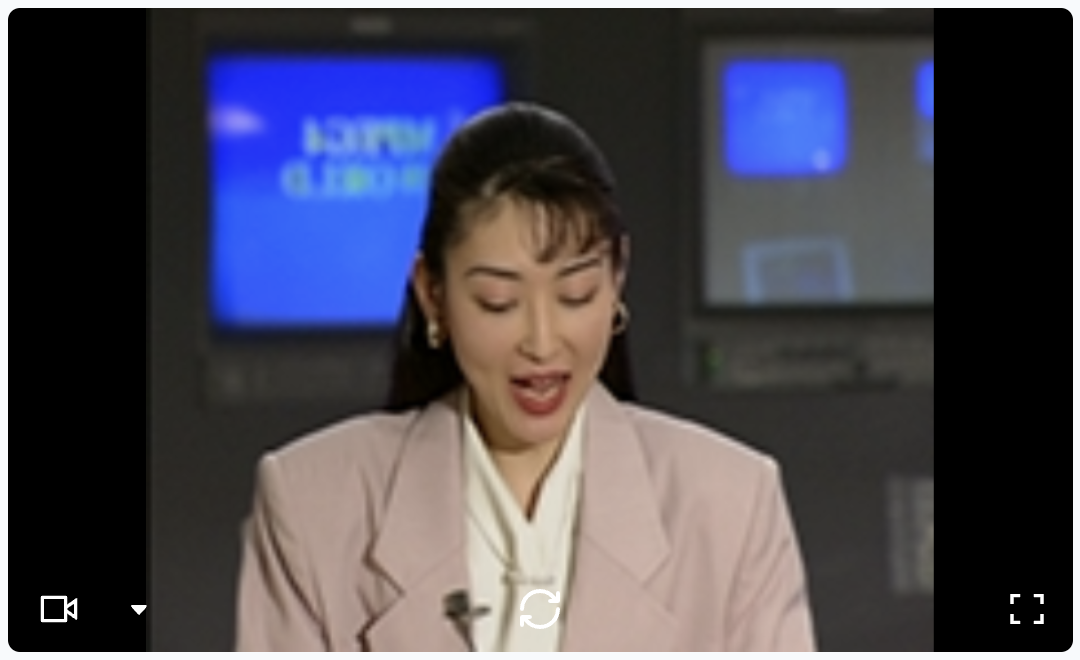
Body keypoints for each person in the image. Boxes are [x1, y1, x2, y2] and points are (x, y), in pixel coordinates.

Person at [234, 102, 816, 651]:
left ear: (617, 279)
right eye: (498, 302)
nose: (541, 342)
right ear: (433, 294)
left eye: (575, 294)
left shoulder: (730, 504)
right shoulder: (312, 504)